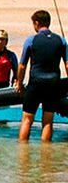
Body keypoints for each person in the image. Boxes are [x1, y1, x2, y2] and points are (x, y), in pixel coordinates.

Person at [14, 10, 68, 142]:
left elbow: (22, 66)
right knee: (48, 121)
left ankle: (23, 155)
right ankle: (46, 157)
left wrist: (19, 84)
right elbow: (67, 65)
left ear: (37, 23)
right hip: (53, 84)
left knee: (27, 119)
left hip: (36, 83)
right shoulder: (61, 41)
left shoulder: (31, 40)